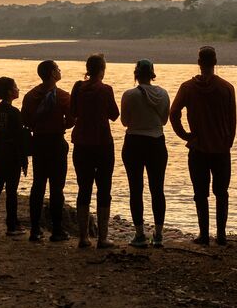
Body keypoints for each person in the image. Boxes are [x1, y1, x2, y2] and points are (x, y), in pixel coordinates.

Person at [169, 46, 237, 246]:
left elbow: (173, 114)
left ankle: (204, 234)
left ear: (199, 62)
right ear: (215, 62)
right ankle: (222, 235)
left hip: (198, 148)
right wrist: (228, 141)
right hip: (221, 149)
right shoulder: (226, 88)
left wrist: (185, 135)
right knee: (221, 192)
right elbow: (233, 120)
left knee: (200, 193)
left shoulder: (188, 87)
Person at [70, 54, 120, 249]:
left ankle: (83, 237)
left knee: (84, 188)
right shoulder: (106, 89)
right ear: (102, 70)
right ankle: (103, 237)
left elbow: (73, 113)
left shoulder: (77, 88)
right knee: (104, 189)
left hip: (81, 143)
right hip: (102, 143)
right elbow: (115, 115)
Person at [21, 60, 74, 242]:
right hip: (56, 142)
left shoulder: (30, 96)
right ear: (52, 73)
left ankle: (35, 229)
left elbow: (26, 120)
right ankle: (57, 230)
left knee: (38, 185)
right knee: (57, 188)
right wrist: (62, 125)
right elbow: (72, 119)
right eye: (58, 69)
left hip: (38, 142)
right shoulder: (63, 96)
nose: (60, 71)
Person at [120, 59, 171, 248]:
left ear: (136, 74)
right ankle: (158, 235)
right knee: (157, 189)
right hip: (157, 142)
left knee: (136, 189)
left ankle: (140, 234)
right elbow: (165, 120)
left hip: (134, 142)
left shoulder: (129, 95)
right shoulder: (163, 94)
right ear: (152, 74)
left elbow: (125, 121)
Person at [0, 77, 29, 236]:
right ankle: (11, 225)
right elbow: (20, 136)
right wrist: (24, 158)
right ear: (10, 92)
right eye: (16, 87)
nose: (18, 89)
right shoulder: (14, 112)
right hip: (10, 152)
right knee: (11, 190)